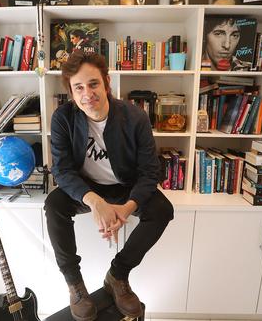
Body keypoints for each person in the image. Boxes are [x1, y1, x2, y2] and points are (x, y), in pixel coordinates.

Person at [45, 51, 174, 321]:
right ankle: (75, 284)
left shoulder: (134, 116)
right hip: (87, 187)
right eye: (78, 87)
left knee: (162, 209)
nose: (87, 94)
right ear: (71, 91)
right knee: (54, 204)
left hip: (124, 186)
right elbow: (62, 170)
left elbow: (150, 172)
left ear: (106, 82)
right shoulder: (63, 118)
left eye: (93, 84)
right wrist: (95, 202)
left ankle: (118, 275)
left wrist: (127, 208)